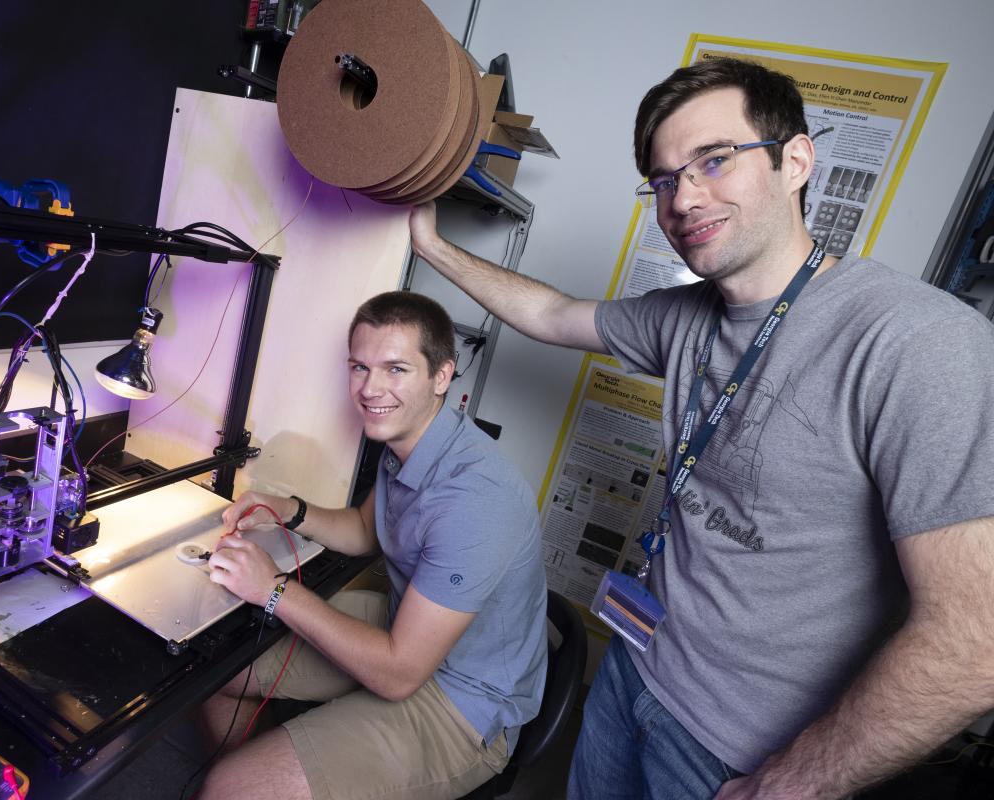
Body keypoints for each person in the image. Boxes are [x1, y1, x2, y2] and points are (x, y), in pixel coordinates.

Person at [408, 56, 994, 799]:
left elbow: (977, 643)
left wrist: (787, 785)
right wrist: (431, 246)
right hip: (632, 673)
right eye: (662, 179)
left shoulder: (917, 343)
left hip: (740, 756)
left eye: (714, 160)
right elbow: (554, 315)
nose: (683, 196)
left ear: (796, 162)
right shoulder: (686, 317)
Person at [197, 290, 548, 800]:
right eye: (359, 367)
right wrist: (285, 508)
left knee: (232, 785)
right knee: (217, 669)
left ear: (442, 375)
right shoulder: (409, 441)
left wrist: (272, 589)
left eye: (396, 369)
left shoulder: (475, 499)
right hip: (405, 631)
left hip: (462, 699)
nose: (370, 388)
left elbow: (398, 674)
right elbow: (366, 531)